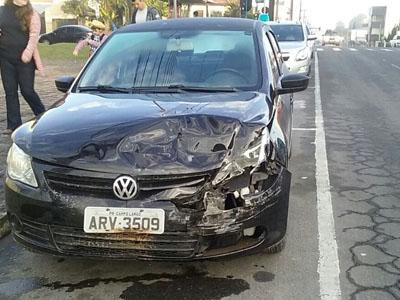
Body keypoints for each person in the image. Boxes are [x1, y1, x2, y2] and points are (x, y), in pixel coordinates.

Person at [0, 0, 45, 135]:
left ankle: (43, 116)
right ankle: (13, 125)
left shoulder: (31, 13)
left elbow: (34, 36)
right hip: (5, 58)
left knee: (27, 90)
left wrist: (27, 52)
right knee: (10, 92)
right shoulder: (2, 10)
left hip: (25, 59)